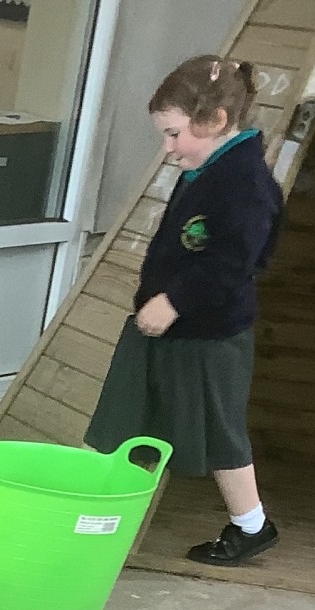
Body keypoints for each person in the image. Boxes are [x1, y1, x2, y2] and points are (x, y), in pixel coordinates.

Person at [86, 54, 283, 568]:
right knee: (128, 421)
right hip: (161, 328)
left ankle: (252, 526)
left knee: (220, 432)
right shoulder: (205, 165)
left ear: (215, 121)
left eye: (174, 134)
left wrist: (174, 301)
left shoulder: (246, 185)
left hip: (209, 335)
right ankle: (98, 517)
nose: (168, 148)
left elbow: (233, 263)